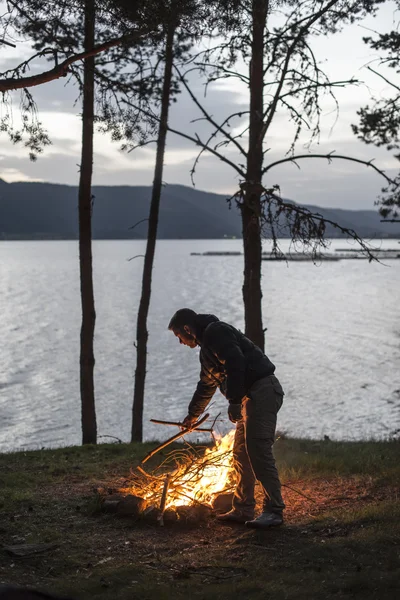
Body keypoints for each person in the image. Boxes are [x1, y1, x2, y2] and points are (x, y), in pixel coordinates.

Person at [168, 308, 285, 529]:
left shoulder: (216, 331)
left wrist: (233, 400)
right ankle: (243, 508)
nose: (180, 342)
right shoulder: (206, 350)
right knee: (241, 454)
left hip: (262, 392)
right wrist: (192, 415)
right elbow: (206, 385)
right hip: (247, 398)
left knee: (258, 452)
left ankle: (274, 511)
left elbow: (235, 362)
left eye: (179, 337)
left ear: (186, 329)